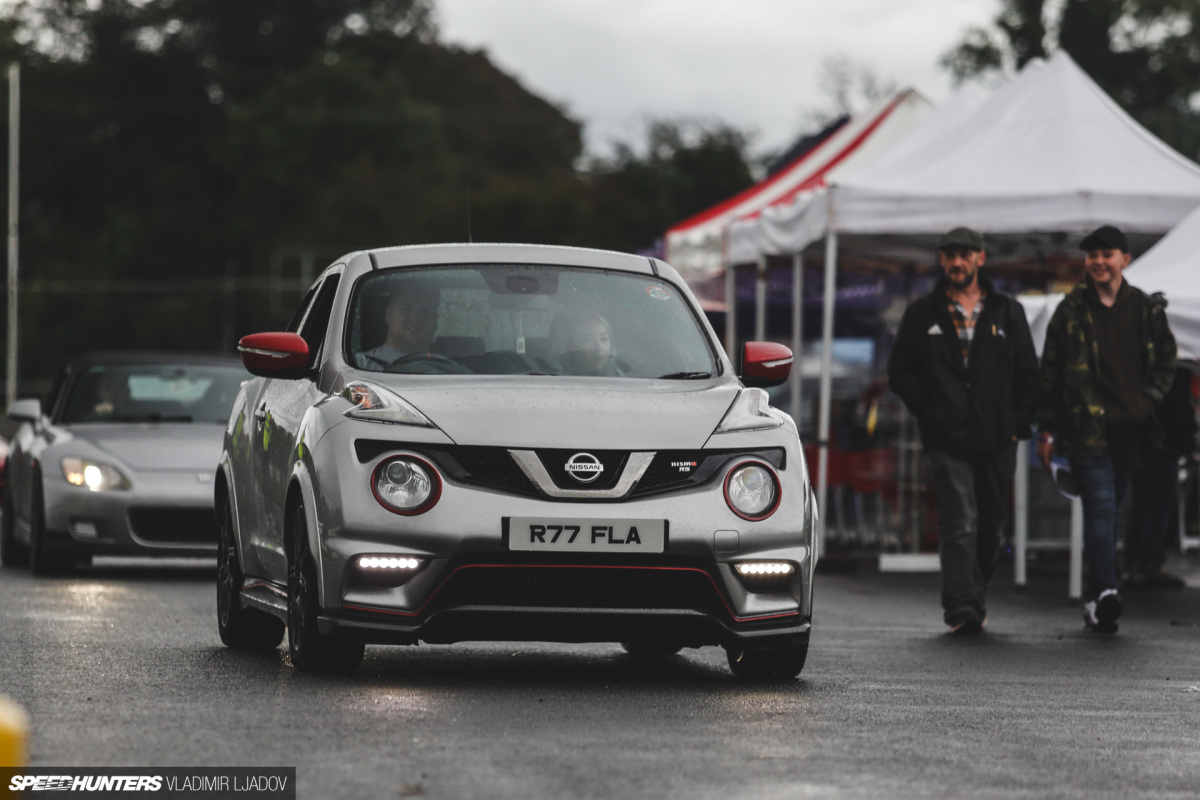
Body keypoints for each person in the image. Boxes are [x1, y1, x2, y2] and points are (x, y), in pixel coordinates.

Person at [888, 226, 1039, 635]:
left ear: (980, 259)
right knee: (960, 522)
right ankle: (961, 606)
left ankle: (974, 594)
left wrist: (1017, 425)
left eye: (965, 255)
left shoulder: (1008, 312)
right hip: (945, 437)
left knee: (992, 526)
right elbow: (900, 371)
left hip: (997, 437)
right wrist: (930, 410)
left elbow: (1029, 374)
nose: (957, 262)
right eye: (950, 255)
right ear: (942, 260)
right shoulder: (923, 314)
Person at [1036, 225, 1177, 634]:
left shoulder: (1145, 309)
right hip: (1085, 429)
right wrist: (1046, 430)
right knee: (1100, 507)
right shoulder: (1071, 310)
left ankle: (1094, 597)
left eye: (1106, 253)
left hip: (1131, 429)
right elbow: (1051, 373)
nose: (1098, 261)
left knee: (1114, 510)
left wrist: (1148, 398)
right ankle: (1105, 593)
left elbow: (1167, 359)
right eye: (1091, 254)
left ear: (1124, 260)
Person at [1123, 365, 1195, 589]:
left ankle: (1131, 563)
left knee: (1142, 500)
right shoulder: (1175, 364)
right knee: (1159, 503)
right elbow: (1177, 407)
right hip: (1164, 441)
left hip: (1142, 437)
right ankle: (1147, 563)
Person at [357, 282, 440, 369]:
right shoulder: (361, 364)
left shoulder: (450, 369)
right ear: (388, 315)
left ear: (435, 320)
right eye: (406, 309)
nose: (415, 318)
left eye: (425, 312)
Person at [548, 310, 623, 376]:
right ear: (570, 346)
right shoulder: (554, 380)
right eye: (587, 340)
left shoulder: (624, 378)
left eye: (604, 339)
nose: (599, 348)